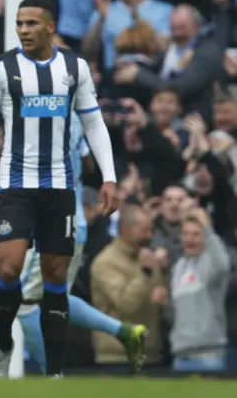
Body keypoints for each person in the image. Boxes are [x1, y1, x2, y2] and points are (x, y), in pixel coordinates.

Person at [0, 0, 118, 378]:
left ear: (50, 27)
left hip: (61, 185)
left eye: (32, 23)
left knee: (54, 275)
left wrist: (109, 176)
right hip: (16, 183)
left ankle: (54, 370)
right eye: (20, 23)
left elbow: (94, 123)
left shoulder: (74, 68)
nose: (23, 30)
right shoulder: (1, 69)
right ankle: (3, 343)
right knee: (10, 267)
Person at [16, 113, 146, 375]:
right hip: (76, 223)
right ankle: (124, 331)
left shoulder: (39, 117)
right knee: (57, 296)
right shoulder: (73, 117)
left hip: (50, 222)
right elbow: (87, 165)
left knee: (24, 302)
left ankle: (53, 375)